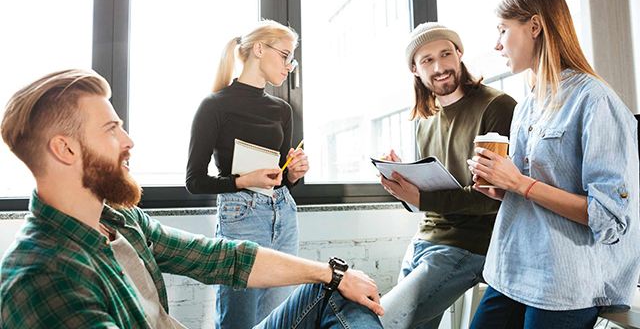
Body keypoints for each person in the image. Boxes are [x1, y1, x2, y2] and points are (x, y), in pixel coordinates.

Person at [0, 68, 384, 328]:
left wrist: (333, 273)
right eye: (112, 129)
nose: (129, 141)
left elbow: (221, 257)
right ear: (65, 149)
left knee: (334, 288)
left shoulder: (119, 219)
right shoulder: (42, 278)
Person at [467, 0, 640, 329]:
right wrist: (503, 188)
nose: (496, 44)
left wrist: (520, 184)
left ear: (535, 26)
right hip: (512, 268)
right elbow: (533, 185)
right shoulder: (527, 104)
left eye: (503, 30)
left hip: (565, 280)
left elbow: (607, 217)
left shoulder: (595, 100)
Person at [378, 23, 517, 329]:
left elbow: (495, 197)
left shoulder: (496, 107)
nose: (439, 67)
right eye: (427, 60)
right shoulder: (424, 122)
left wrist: (422, 197)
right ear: (415, 69)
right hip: (426, 237)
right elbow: (435, 193)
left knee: (383, 322)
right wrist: (404, 182)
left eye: (445, 54)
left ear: (460, 54)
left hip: (473, 242)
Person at [185, 20, 309, 328]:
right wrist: (243, 181)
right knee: (237, 322)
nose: (289, 66)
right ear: (258, 49)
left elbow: (282, 180)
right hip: (241, 218)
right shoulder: (214, 106)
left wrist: (293, 173)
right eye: (284, 55)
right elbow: (194, 181)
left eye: (291, 59)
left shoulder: (283, 109)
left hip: (283, 215)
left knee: (277, 321)